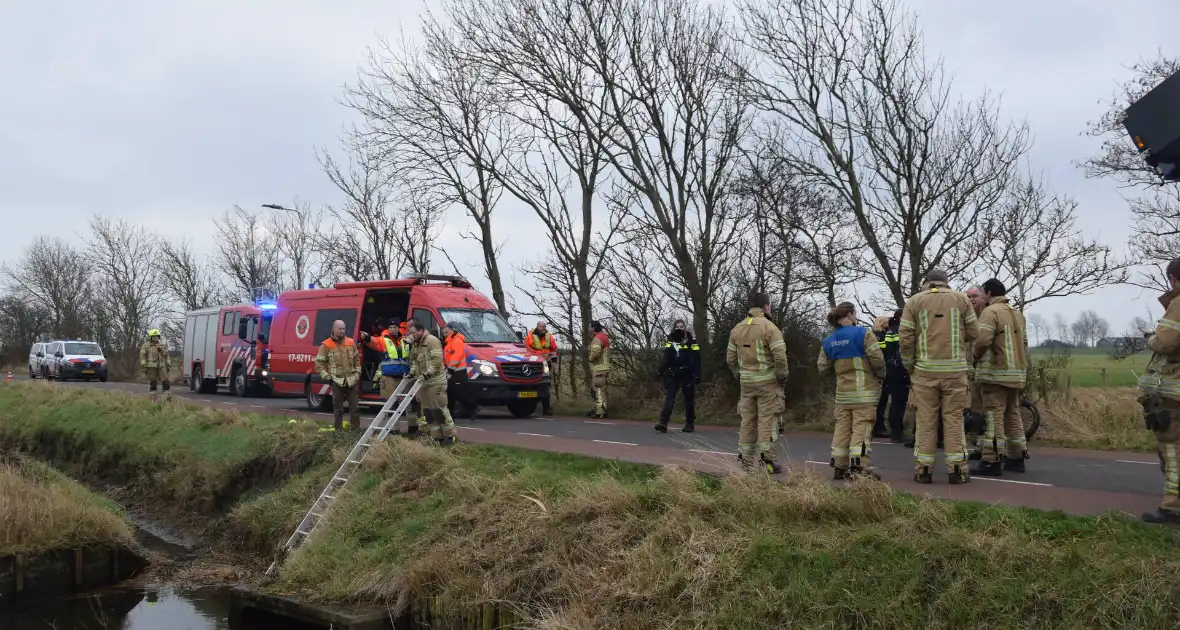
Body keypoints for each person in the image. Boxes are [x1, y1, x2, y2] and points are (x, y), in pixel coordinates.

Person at [898, 269, 979, 484]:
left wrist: (910, 366)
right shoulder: (962, 299)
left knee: (926, 420)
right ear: (946, 282)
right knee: (953, 420)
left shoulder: (915, 301)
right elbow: (974, 332)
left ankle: (923, 470)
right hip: (954, 372)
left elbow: (905, 338)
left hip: (924, 372)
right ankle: (958, 471)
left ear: (927, 282)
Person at [819, 302, 886, 479]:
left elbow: (822, 368)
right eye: (855, 313)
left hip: (842, 395)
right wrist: (880, 376)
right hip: (864, 393)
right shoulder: (864, 334)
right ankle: (858, 469)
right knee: (861, 430)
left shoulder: (829, 340)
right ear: (849, 314)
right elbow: (877, 360)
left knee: (842, 429)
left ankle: (839, 467)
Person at [971, 278, 1030, 477]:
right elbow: (1024, 343)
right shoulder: (1017, 314)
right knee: (1013, 413)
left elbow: (982, 340)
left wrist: (974, 357)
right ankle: (1016, 457)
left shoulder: (990, 312)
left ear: (987, 293)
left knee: (993, 415)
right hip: (1016, 374)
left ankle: (991, 460)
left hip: (994, 374)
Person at [726, 292, 789, 474]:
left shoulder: (737, 329)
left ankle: (745, 458)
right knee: (767, 420)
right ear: (766, 306)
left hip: (746, 384)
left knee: (748, 419)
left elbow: (730, 358)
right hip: (768, 383)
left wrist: (739, 374)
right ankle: (767, 460)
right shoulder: (770, 328)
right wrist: (782, 376)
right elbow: (780, 357)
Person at [1139, 258, 1180, 524]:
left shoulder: (1178, 304)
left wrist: (1151, 338)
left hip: (1174, 393)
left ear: (1174, 278)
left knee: (1172, 448)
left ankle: (1171, 508)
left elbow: (1165, 342)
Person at [360, 320, 423, 436]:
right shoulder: (383, 340)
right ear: (388, 329)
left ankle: (413, 427)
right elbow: (372, 341)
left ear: (398, 328)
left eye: (395, 327)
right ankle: (393, 429)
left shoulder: (405, 339)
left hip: (405, 376)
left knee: (412, 403)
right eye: (391, 327)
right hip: (389, 377)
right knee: (391, 404)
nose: (393, 329)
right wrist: (366, 337)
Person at [407, 318, 456, 445]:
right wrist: (411, 373)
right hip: (423, 382)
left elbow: (437, 361)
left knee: (439, 409)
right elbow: (415, 362)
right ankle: (436, 436)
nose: (411, 335)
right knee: (428, 411)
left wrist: (427, 373)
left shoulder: (432, 341)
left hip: (435, 381)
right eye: (410, 333)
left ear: (421, 331)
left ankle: (449, 436)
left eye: (413, 333)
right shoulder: (416, 344)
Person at [314, 320, 362, 432]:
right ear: (334, 330)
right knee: (338, 409)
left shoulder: (350, 342)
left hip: (352, 380)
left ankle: (355, 431)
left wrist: (357, 374)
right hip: (336, 381)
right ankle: (338, 432)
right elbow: (319, 364)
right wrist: (328, 377)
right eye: (340, 329)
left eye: (344, 329)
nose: (342, 331)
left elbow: (357, 360)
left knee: (355, 408)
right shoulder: (326, 345)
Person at [655, 319, 701, 434]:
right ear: (674, 328)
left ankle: (689, 425)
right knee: (670, 398)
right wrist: (660, 371)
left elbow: (697, 358)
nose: (679, 328)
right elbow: (666, 356)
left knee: (688, 400)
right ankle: (663, 423)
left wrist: (698, 374)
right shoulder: (670, 340)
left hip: (687, 373)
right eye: (677, 327)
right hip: (673, 373)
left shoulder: (691, 340)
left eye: (681, 326)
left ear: (685, 328)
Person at [964, 286, 988, 460]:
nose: (971, 299)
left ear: (983, 297)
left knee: (989, 409)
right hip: (970, 370)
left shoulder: (987, 315)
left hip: (985, 369)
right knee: (976, 409)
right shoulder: (965, 316)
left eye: (974, 296)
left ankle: (989, 447)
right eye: (968, 296)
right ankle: (979, 445)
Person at [442, 324, 479, 420]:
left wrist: (449, 370)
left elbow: (456, 357)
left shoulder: (457, 341)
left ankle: (473, 408)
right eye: (444, 333)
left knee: (459, 394)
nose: (445, 334)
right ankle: (451, 415)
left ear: (452, 331)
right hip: (452, 371)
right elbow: (448, 357)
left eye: (446, 332)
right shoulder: (449, 342)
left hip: (458, 372)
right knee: (450, 394)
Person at [525, 321, 559, 415]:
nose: (544, 328)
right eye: (542, 326)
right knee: (530, 385)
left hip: (546, 364)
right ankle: (528, 406)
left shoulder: (549, 336)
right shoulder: (529, 337)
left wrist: (555, 362)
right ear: (537, 327)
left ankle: (546, 408)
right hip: (533, 365)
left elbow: (554, 349)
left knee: (545, 385)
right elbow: (525, 350)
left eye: (545, 326)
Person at [140, 329, 172, 401]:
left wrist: (168, 365)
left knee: (166, 382)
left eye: (157, 336)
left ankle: (167, 398)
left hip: (162, 366)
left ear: (159, 337)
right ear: (150, 337)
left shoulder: (162, 345)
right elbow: (142, 356)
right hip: (151, 367)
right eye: (154, 336)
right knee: (153, 383)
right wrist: (144, 367)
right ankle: (152, 399)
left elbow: (167, 356)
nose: (155, 338)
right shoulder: (146, 346)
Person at [587, 321, 611, 419]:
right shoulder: (605, 336)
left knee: (599, 390)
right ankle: (601, 409)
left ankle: (600, 412)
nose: (588, 329)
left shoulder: (598, 338)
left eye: (589, 327)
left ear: (593, 328)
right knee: (601, 389)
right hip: (604, 366)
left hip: (599, 367)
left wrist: (590, 358)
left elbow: (596, 353)